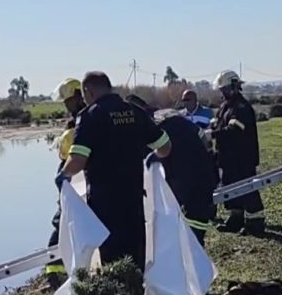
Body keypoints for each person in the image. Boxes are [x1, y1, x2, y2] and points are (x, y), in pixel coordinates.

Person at [56, 72, 172, 277]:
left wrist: (64, 175)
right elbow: (165, 147)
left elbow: (78, 160)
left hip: (105, 202)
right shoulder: (135, 112)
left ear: (89, 92)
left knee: (113, 260)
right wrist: (154, 156)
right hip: (134, 197)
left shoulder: (90, 116)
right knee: (135, 254)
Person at [132, 100, 217, 247]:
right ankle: (195, 248)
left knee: (171, 218)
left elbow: (148, 153)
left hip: (178, 175)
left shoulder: (150, 126)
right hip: (203, 172)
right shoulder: (176, 118)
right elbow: (204, 140)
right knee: (197, 218)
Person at [210, 70, 265, 234]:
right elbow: (219, 124)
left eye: (225, 89)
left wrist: (213, 134)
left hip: (242, 157)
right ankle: (235, 219)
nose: (223, 92)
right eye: (221, 90)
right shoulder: (226, 106)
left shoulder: (241, 107)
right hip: (228, 157)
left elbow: (235, 131)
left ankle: (255, 223)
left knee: (247, 188)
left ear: (234, 86)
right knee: (230, 187)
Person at [45, 78, 86, 283]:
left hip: (77, 176)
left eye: (68, 100)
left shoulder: (84, 122)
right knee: (65, 220)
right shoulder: (79, 121)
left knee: (63, 221)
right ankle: (57, 273)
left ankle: (56, 274)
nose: (66, 105)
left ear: (78, 96)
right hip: (74, 175)